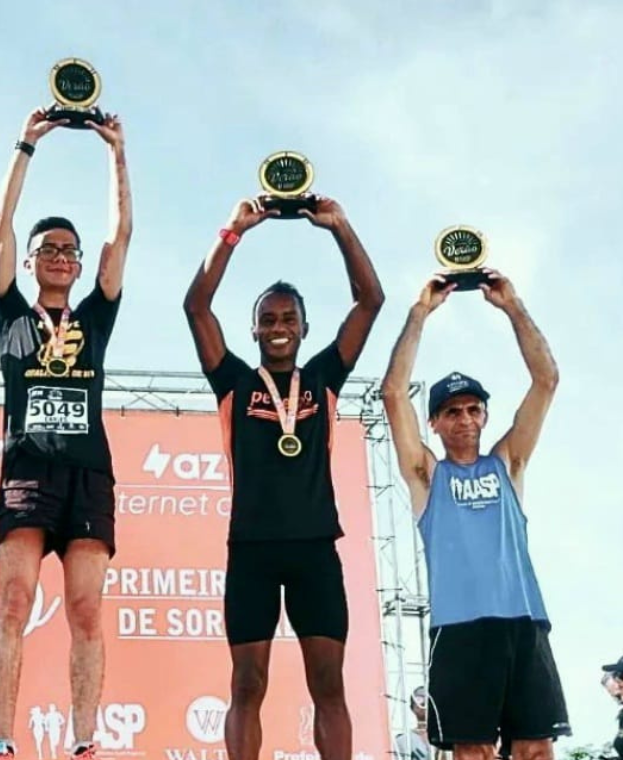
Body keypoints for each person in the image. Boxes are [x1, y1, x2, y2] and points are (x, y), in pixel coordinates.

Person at [182, 195, 384, 760]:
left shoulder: (322, 378)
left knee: (328, 685)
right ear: (253, 330)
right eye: (268, 320)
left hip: (315, 548)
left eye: (288, 319)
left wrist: (340, 227)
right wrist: (232, 232)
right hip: (252, 549)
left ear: (303, 328)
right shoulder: (233, 382)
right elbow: (196, 306)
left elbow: (370, 301)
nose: (278, 328)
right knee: (247, 684)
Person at [0, 107, 132, 760]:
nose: (60, 257)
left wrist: (115, 153)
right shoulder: (11, 314)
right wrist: (26, 143)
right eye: (48, 249)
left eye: (69, 251)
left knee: (85, 612)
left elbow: (121, 235)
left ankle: (84, 739)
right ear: (31, 261)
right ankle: (2, 740)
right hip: (26, 469)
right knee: (14, 602)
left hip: (87, 472)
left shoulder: (95, 317)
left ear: (77, 265)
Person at [380, 269, 569, 760]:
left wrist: (512, 306)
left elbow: (546, 380)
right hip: (460, 628)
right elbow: (393, 394)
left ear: (484, 415)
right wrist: (420, 311)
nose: (464, 418)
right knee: (473, 752)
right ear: (435, 422)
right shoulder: (427, 475)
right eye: (452, 411)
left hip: (523, 621)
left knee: (535, 748)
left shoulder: (509, 462)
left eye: (472, 409)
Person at [395, 686, 434, 760]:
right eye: (419, 699)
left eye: (428, 700)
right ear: (412, 707)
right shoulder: (402, 741)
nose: (424, 704)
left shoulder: (445, 738)